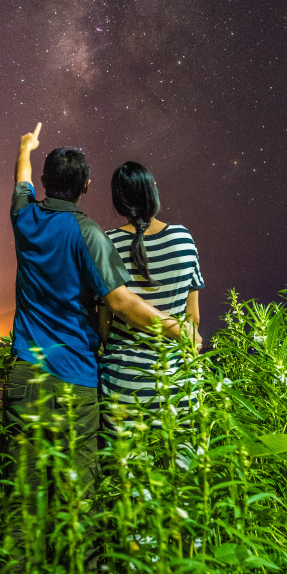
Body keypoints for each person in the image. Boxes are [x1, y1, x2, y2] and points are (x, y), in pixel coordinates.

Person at [4, 125, 184, 539]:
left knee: (23, 507)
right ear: (86, 185)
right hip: (75, 383)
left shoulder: (24, 216)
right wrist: (177, 330)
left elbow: (21, 179)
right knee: (77, 505)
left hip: (25, 377)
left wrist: (25, 146)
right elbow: (121, 302)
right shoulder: (89, 234)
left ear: (46, 184)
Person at [98, 161, 203, 411]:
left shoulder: (106, 243)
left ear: (118, 200)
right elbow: (193, 318)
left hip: (124, 386)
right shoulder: (183, 238)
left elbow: (104, 327)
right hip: (180, 382)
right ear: (153, 191)